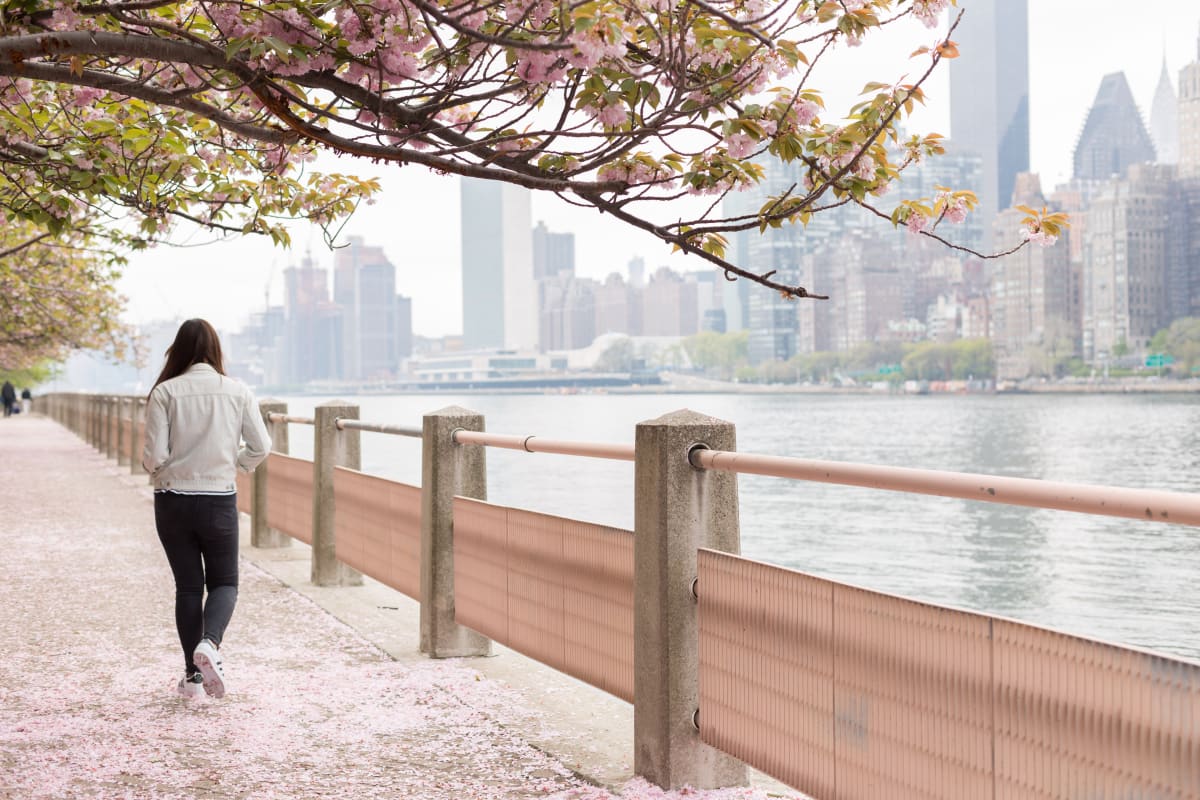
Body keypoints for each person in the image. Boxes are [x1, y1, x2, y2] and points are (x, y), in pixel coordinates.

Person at [142, 319, 271, 700]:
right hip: (218, 499)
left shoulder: (164, 392)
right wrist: (237, 464)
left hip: (172, 500)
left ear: (177, 351)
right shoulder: (237, 391)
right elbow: (261, 446)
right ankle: (210, 645)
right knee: (225, 583)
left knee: (188, 587)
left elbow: (155, 456)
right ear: (216, 350)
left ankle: (192, 680)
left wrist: (160, 470)